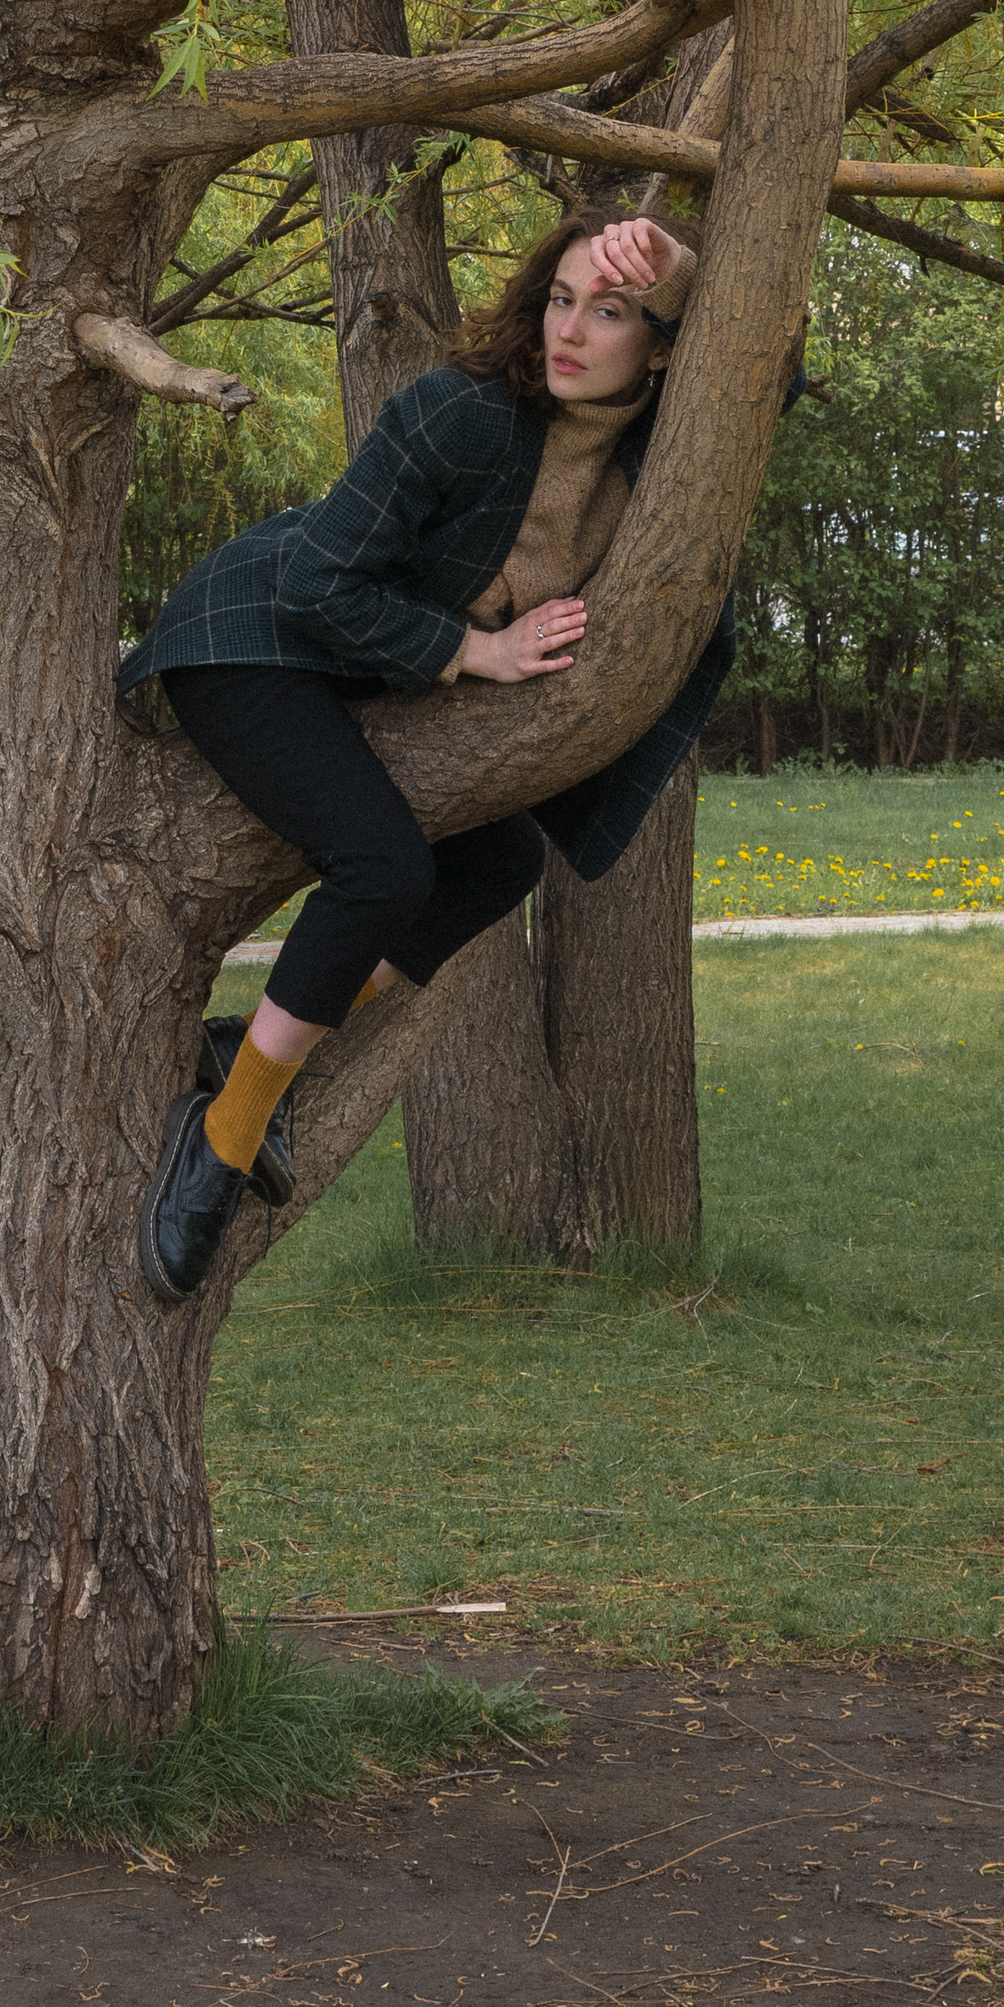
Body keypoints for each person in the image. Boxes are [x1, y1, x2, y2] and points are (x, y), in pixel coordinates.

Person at [120, 212, 735, 1305]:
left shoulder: (671, 448)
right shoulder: (462, 411)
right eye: (559, 298)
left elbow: (761, 376)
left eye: (608, 310)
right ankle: (222, 1130)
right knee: (385, 868)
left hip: (361, 679)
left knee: (498, 863)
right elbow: (316, 583)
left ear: (663, 342)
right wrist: (476, 649)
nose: (570, 331)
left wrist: (681, 268)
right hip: (253, 643)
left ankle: (244, 1045)